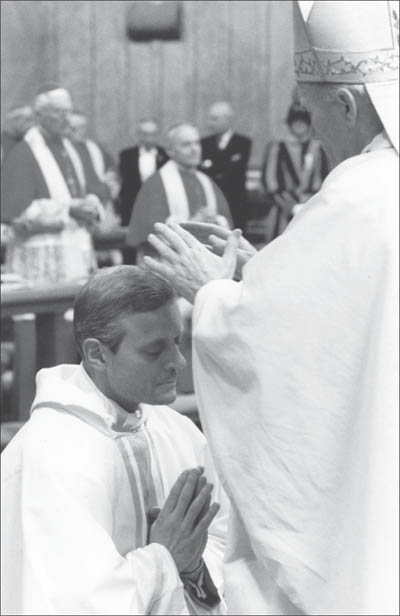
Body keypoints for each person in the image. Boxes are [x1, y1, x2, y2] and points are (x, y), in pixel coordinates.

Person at [143, 1, 399, 614]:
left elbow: (267, 349)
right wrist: (270, 276)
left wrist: (210, 293)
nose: (310, 130)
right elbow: (355, 309)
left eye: (310, 112)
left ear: (345, 105)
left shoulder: (357, 197)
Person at [1, 265, 228, 615]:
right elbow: (76, 603)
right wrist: (165, 556)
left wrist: (192, 566)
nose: (178, 362)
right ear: (96, 354)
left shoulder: (176, 430)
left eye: (177, 341)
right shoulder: (52, 454)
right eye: (154, 352)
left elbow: (222, 544)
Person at [1, 85, 104, 283]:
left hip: (76, 249)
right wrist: (69, 210)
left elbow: (93, 190)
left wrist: (92, 206)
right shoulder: (23, 153)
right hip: (40, 259)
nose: (67, 118)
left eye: (68, 111)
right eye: (59, 112)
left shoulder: (73, 149)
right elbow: (18, 215)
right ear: (39, 115)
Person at [126, 123, 232, 261]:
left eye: (196, 143)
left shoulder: (207, 182)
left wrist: (214, 220)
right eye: (186, 145)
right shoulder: (156, 184)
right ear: (170, 150)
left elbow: (227, 224)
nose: (194, 149)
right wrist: (192, 225)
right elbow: (149, 232)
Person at [260, 101, 329, 241]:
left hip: (313, 208)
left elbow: (326, 178)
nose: (299, 125)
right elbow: (270, 182)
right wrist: (291, 205)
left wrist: (307, 203)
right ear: (289, 124)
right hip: (283, 210)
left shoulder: (319, 148)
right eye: (295, 121)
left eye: (303, 121)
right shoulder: (277, 147)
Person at [200, 102, 252, 232]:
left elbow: (233, 173)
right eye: (209, 118)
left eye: (214, 119)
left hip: (235, 204)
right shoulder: (203, 144)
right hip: (210, 203)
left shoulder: (243, 143)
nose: (210, 123)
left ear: (227, 120)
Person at [118, 119, 169, 228]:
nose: (148, 138)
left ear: (157, 135)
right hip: (131, 206)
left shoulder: (166, 156)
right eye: (145, 134)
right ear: (138, 135)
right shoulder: (126, 155)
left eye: (152, 134)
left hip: (158, 208)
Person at [67, 109, 120, 204]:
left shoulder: (96, 148)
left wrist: (112, 176)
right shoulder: (61, 151)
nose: (80, 131)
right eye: (74, 128)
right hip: (76, 202)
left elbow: (113, 168)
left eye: (82, 127)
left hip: (102, 201)